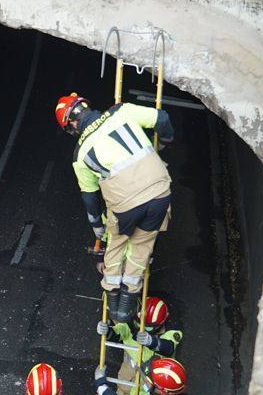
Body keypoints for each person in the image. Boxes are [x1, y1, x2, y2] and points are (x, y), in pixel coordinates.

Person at [55, 93, 176, 325]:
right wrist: (162, 144)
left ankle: (113, 298)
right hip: (160, 193)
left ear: (71, 124)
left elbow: (90, 198)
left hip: (125, 206)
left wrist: (97, 228)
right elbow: (162, 119)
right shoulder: (121, 111)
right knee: (142, 245)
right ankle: (129, 300)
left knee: (117, 243)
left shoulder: (80, 155)